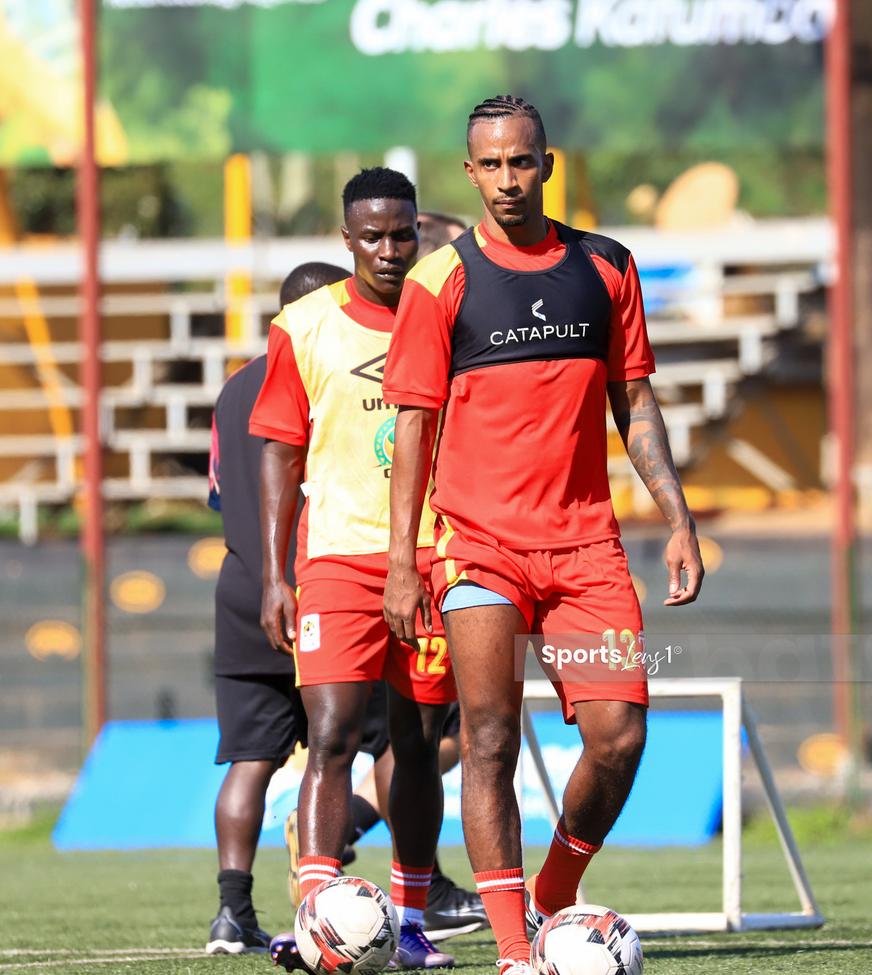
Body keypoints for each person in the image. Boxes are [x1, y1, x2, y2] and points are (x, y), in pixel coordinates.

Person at [382, 96, 705, 974]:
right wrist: (403, 562)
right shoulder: (438, 282)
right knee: (486, 738)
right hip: (478, 547)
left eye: (521, 162)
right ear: (469, 171)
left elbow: (634, 399)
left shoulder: (605, 267)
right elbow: (412, 425)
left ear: (547, 163)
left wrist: (677, 518)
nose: (507, 180)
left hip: (586, 549)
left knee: (619, 737)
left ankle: (555, 889)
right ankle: (519, 952)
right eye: (490, 165)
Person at [251, 167, 457, 970]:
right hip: (336, 555)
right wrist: (276, 572)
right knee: (332, 731)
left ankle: (408, 917)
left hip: (436, 555)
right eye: (371, 236)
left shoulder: (450, 313)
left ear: (419, 233)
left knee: (414, 739)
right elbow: (278, 447)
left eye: (402, 233)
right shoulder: (303, 326)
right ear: (347, 241)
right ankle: (316, 914)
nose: (388, 249)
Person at [205, 262, 349, 955]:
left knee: (250, 759)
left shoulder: (234, 385)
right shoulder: (327, 373)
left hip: (241, 588)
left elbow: (217, 494)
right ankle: (407, 896)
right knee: (365, 740)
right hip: (318, 585)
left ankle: (232, 912)